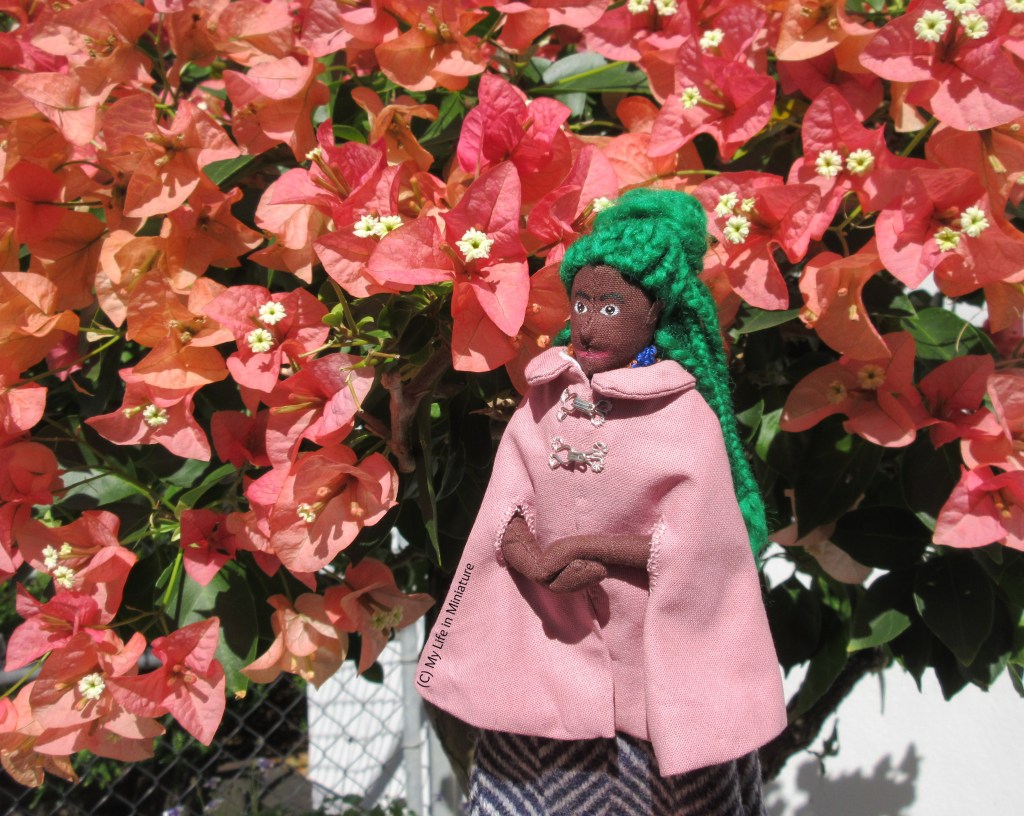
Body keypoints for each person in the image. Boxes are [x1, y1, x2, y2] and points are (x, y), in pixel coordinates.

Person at [416, 189, 786, 815]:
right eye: (582, 301)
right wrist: (529, 557)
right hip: (541, 678)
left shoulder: (683, 416)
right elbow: (506, 507)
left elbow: (700, 542)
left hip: (652, 687)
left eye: (611, 304)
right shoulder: (544, 401)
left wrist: (595, 549)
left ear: (655, 315)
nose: (588, 320)